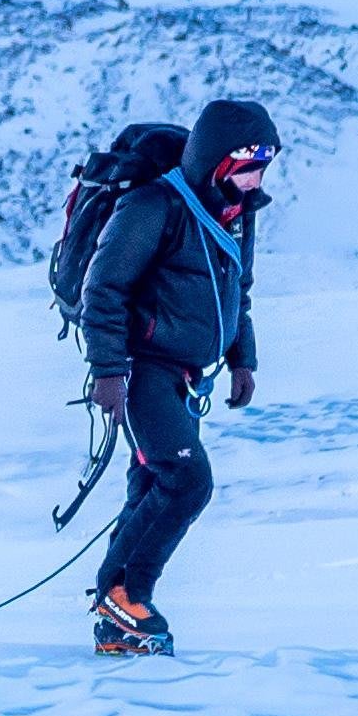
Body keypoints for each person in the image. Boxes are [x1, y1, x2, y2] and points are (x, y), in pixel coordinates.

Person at [78, 97, 274, 656]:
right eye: (244, 166)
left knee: (151, 485)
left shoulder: (236, 215)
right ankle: (124, 594)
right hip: (143, 371)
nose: (254, 178)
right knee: (187, 482)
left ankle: (119, 619)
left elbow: (239, 291)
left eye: (261, 167)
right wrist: (109, 372)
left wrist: (243, 359)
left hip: (188, 376)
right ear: (214, 159)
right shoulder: (152, 206)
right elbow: (104, 290)